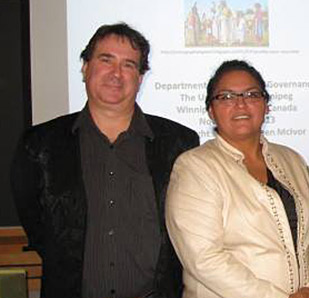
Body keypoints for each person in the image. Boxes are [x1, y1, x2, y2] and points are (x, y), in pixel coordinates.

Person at [11, 23, 199, 297]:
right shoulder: (39, 144)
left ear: (140, 77)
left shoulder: (179, 142)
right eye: (106, 60)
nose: (116, 74)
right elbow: (39, 228)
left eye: (129, 65)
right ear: (85, 68)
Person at [165, 60, 309, 298]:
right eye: (226, 97)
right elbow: (204, 258)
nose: (241, 103)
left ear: (266, 106)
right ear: (210, 111)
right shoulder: (194, 167)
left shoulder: (292, 160)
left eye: (252, 94)